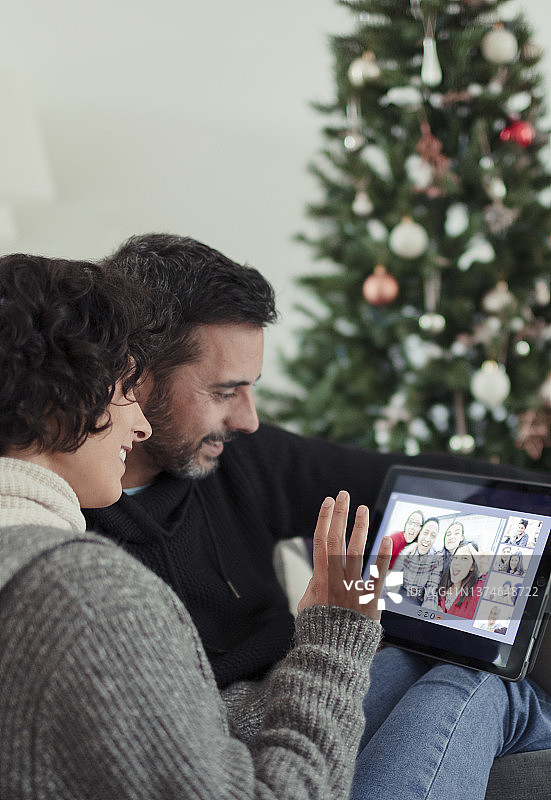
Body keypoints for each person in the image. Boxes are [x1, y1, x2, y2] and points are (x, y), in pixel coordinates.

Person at [0, 252, 391, 799]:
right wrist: (335, 634)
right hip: (283, 744)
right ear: (60, 408)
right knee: (482, 693)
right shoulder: (91, 592)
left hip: (285, 715)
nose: (134, 423)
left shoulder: (44, 556)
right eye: (122, 390)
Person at [393, 517, 443, 608]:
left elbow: (431, 590)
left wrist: (427, 613)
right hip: (399, 597)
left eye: (433, 535)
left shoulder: (437, 559)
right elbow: (393, 580)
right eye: (425, 532)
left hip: (417, 603)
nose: (427, 539)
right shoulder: (408, 551)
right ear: (419, 533)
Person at [436, 540, 484, 619]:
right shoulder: (444, 585)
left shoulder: (478, 589)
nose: (456, 562)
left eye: (464, 558)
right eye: (456, 557)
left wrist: (488, 570)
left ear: (472, 566)